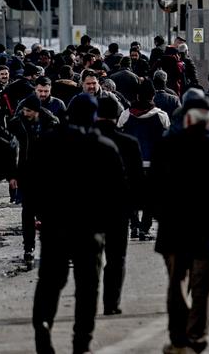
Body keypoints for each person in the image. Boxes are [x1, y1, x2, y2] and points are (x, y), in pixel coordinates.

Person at [29, 94, 126, 354]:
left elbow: (32, 182)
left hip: (54, 225)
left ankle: (43, 325)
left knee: (49, 280)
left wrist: (40, 213)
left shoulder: (46, 142)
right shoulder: (105, 148)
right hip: (90, 228)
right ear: (94, 116)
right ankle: (81, 340)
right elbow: (117, 194)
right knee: (87, 286)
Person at [150, 94, 209, 354]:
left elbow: (153, 189)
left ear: (186, 118)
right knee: (203, 287)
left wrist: (162, 217)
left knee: (177, 284)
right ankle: (197, 337)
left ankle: (178, 339)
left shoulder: (167, 146)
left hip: (174, 230)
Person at [95, 96, 144, 317]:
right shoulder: (129, 143)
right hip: (119, 209)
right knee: (117, 258)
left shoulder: (85, 142)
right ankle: (111, 302)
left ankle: (89, 297)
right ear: (117, 117)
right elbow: (137, 180)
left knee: (91, 257)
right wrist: (137, 210)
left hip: (89, 209)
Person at [8, 94, 59, 265]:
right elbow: (12, 151)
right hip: (26, 174)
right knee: (27, 212)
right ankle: (28, 247)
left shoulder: (51, 123)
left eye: (28, 110)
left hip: (47, 175)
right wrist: (12, 175)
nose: (25, 113)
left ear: (36, 111)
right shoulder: (17, 123)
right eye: (24, 109)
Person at [120, 80, 170, 240]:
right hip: (153, 164)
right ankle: (144, 228)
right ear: (153, 95)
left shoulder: (126, 114)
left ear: (137, 95)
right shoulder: (161, 116)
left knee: (131, 197)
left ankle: (134, 225)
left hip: (131, 164)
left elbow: (119, 131)